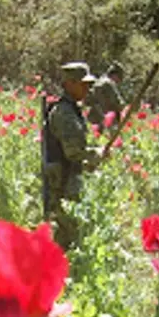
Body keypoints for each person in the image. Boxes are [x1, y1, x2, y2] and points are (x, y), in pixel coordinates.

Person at [42, 61, 103, 249]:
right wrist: (96, 154)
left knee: (68, 234)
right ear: (69, 84)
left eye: (89, 84)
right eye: (83, 84)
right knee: (65, 236)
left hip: (67, 179)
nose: (88, 88)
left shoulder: (71, 110)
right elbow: (73, 152)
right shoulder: (64, 113)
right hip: (61, 184)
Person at [87, 61, 126, 129]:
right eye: (119, 78)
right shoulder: (108, 84)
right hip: (106, 122)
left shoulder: (98, 82)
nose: (118, 82)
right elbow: (119, 103)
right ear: (115, 75)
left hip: (94, 120)